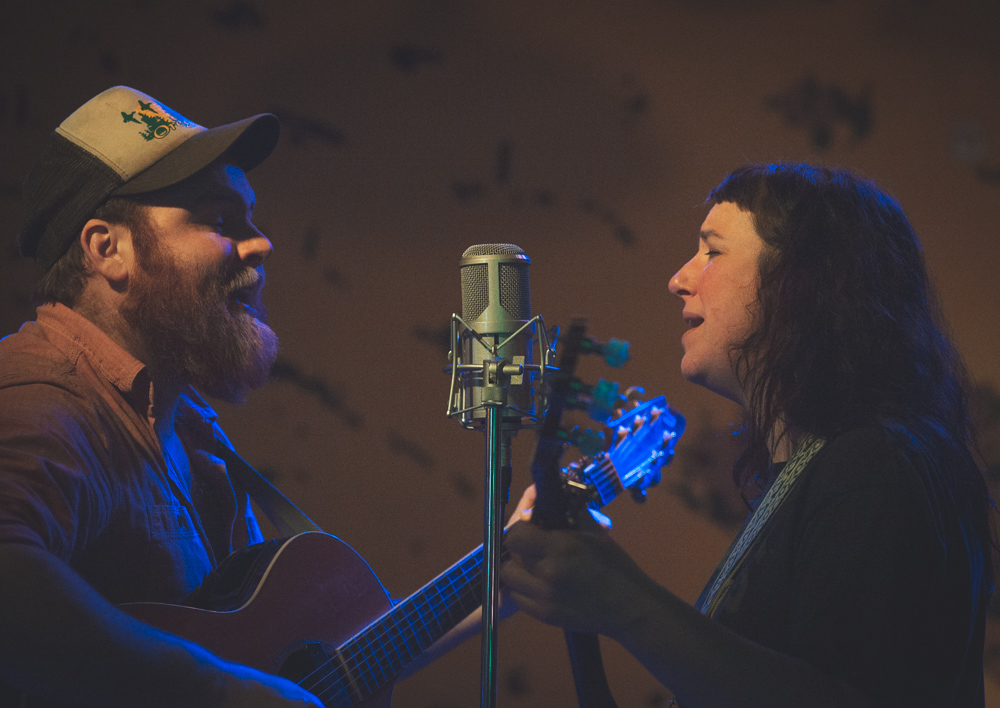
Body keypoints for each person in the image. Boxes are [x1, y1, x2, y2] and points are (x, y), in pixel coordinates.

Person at [501, 163, 994, 706]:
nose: (679, 278)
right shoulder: (815, 471)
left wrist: (626, 603)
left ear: (800, 282)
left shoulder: (878, 465)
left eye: (712, 251)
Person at [0, 86, 325, 706]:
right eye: (221, 219)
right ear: (108, 249)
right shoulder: (45, 396)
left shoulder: (188, 423)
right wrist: (213, 690)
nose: (261, 243)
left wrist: (496, 587)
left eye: (250, 218)